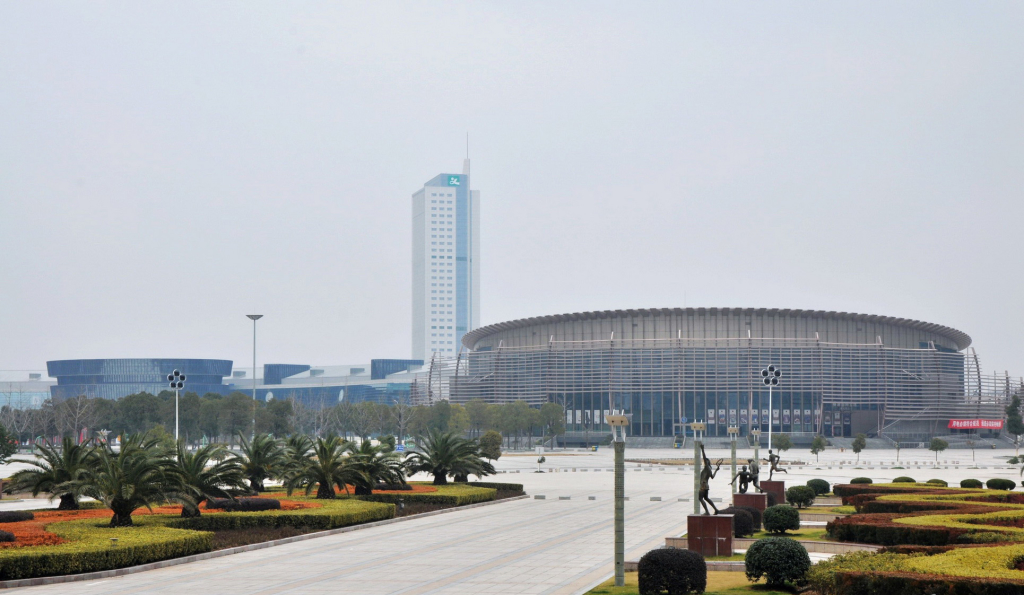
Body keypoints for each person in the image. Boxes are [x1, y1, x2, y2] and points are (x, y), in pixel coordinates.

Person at [698, 444, 722, 515]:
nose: (703, 462)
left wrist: (702, 449)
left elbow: (704, 457)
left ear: (706, 462)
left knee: (700, 498)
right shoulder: (710, 469)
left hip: (703, 485)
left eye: (705, 461)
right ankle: (716, 509)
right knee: (706, 498)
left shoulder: (707, 468)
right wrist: (716, 470)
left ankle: (707, 512)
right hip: (706, 486)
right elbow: (712, 477)